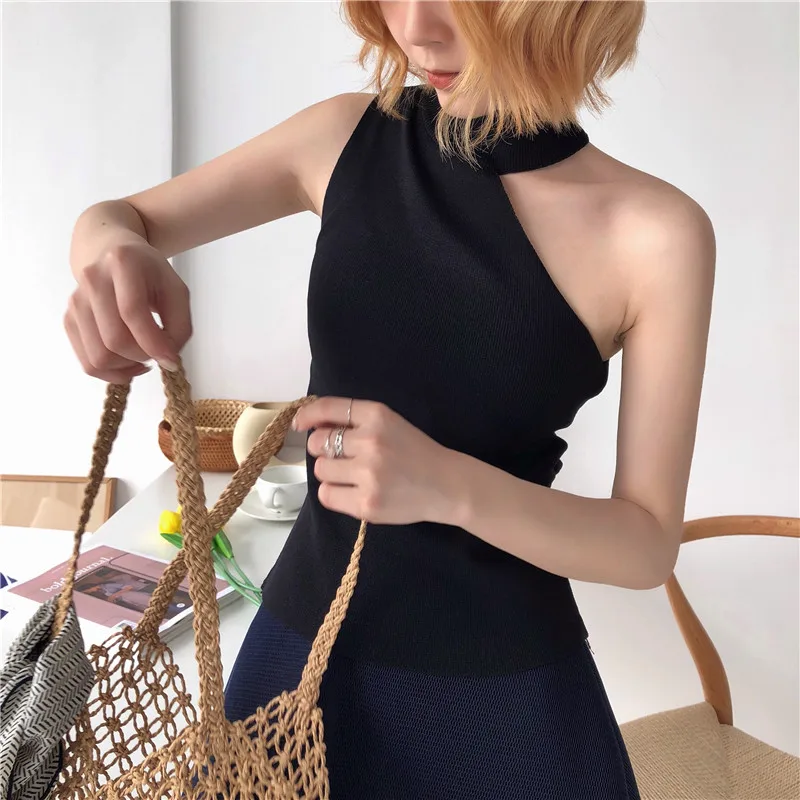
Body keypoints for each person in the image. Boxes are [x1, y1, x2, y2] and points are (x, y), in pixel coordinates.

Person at [63, 1, 715, 797]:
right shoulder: (343, 138)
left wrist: (448, 485)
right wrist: (112, 253)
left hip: (502, 700)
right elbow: (118, 218)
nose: (416, 30)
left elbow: (646, 544)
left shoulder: (657, 234)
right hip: (302, 656)